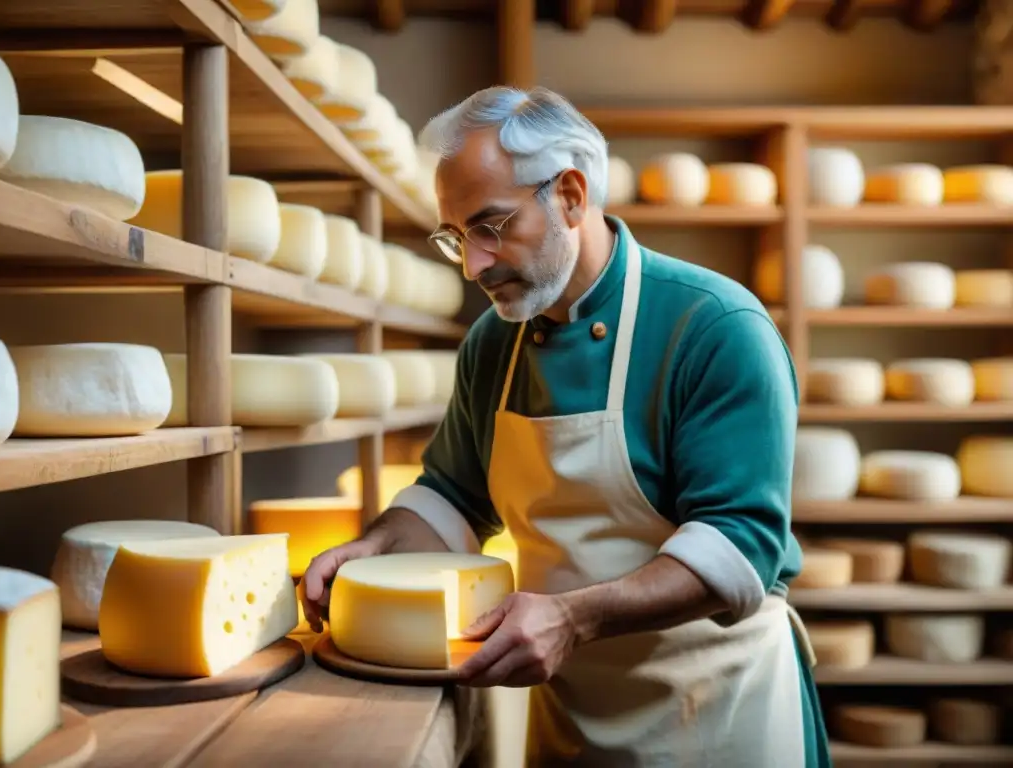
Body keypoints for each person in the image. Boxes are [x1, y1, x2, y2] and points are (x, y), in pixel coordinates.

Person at [302, 85, 831, 768]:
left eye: (490, 227)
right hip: (574, 714)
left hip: (718, 712)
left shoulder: (715, 329)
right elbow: (453, 499)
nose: (473, 265)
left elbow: (740, 545)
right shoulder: (495, 343)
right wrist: (373, 549)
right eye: (456, 238)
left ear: (572, 197)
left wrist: (574, 617)